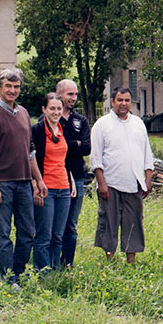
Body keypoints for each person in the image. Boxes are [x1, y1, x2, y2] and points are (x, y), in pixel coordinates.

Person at [0, 68, 46, 286]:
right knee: (2, 234)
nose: (12, 90)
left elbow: (30, 150)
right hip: (2, 184)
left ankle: (17, 272)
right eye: (8, 86)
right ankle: (5, 277)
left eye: (16, 87)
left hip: (24, 183)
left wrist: (39, 180)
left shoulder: (24, 113)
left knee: (28, 232)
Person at [90, 87, 156, 264]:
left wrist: (147, 180)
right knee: (109, 223)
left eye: (127, 100)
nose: (123, 104)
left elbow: (146, 154)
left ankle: (131, 262)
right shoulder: (102, 125)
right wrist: (101, 183)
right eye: (120, 100)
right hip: (110, 183)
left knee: (133, 223)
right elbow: (95, 157)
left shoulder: (138, 123)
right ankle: (110, 260)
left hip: (133, 183)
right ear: (112, 102)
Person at [31, 93, 76, 272]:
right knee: (44, 235)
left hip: (63, 188)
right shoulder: (37, 130)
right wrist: (35, 184)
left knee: (58, 235)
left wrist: (71, 178)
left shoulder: (63, 128)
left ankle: (55, 269)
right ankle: (42, 271)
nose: (56, 112)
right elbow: (31, 158)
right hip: (46, 188)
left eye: (59, 108)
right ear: (44, 109)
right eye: (52, 108)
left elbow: (66, 158)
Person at [55, 79, 91, 268]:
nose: (73, 98)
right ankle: (52, 262)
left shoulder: (80, 120)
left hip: (77, 176)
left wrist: (64, 144)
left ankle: (67, 262)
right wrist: (72, 144)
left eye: (75, 94)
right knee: (55, 224)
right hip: (54, 177)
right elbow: (48, 146)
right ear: (59, 93)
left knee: (71, 224)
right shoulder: (51, 118)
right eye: (70, 94)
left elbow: (86, 148)